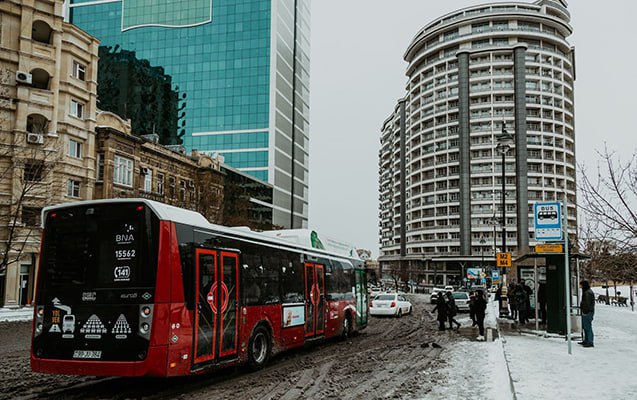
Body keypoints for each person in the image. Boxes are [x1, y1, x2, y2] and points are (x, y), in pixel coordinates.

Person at [579, 280, 595, 348]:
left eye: (581, 285)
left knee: (587, 327)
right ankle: (586, 340)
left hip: (587, 312)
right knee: (585, 326)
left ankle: (589, 341)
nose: (580, 287)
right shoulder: (587, 292)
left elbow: (587, 303)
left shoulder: (587, 293)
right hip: (588, 311)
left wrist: (585, 311)